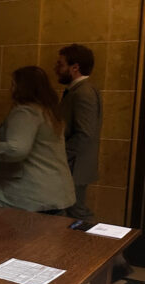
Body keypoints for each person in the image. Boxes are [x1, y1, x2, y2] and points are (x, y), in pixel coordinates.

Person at [0, 66, 75, 213]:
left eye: (13, 84)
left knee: (19, 235)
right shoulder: (50, 112)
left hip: (31, 193)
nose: (11, 89)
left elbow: (18, 149)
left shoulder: (26, 112)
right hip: (54, 191)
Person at [55, 44, 102, 222]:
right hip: (74, 165)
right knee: (75, 212)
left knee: (78, 212)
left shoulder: (83, 93)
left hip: (75, 167)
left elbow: (85, 134)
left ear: (74, 67)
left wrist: (60, 156)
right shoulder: (78, 91)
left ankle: (98, 247)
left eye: (60, 64)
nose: (56, 68)